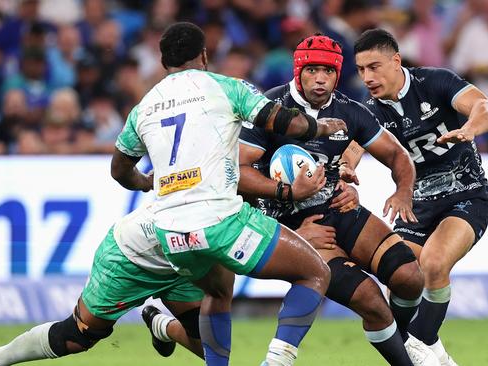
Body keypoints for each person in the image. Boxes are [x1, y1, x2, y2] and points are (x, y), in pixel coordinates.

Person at [111, 22, 346, 366]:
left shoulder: (144, 107)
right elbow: (283, 122)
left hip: (170, 232)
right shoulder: (226, 88)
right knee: (315, 273)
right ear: (205, 55)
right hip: (220, 220)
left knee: (218, 291)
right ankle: (276, 362)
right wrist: (320, 126)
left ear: (164, 63)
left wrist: (146, 182)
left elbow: (119, 170)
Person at [238, 34, 438, 366]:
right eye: (313, 70)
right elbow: (238, 173)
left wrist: (402, 192)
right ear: (298, 71)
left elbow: (398, 155)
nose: (321, 78)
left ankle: (403, 341)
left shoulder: (348, 111)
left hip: (338, 209)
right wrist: (288, 225)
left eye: (328, 71)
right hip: (297, 226)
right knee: (371, 300)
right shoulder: (269, 110)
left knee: (409, 277)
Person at [354, 28, 488, 366]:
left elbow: (484, 106)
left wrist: (469, 129)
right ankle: (432, 357)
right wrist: (345, 167)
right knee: (401, 279)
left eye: (374, 67)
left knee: (433, 264)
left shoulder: (434, 82)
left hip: (466, 195)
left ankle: (424, 344)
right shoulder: (369, 111)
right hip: (416, 207)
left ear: (396, 61)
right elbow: (352, 147)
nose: (367, 77)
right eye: (361, 70)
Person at [0, 194, 206, 366]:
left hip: (183, 256)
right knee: (77, 337)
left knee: (212, 346)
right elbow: (121, 169)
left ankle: (161, 326)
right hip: (133, 255)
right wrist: (141, 180)